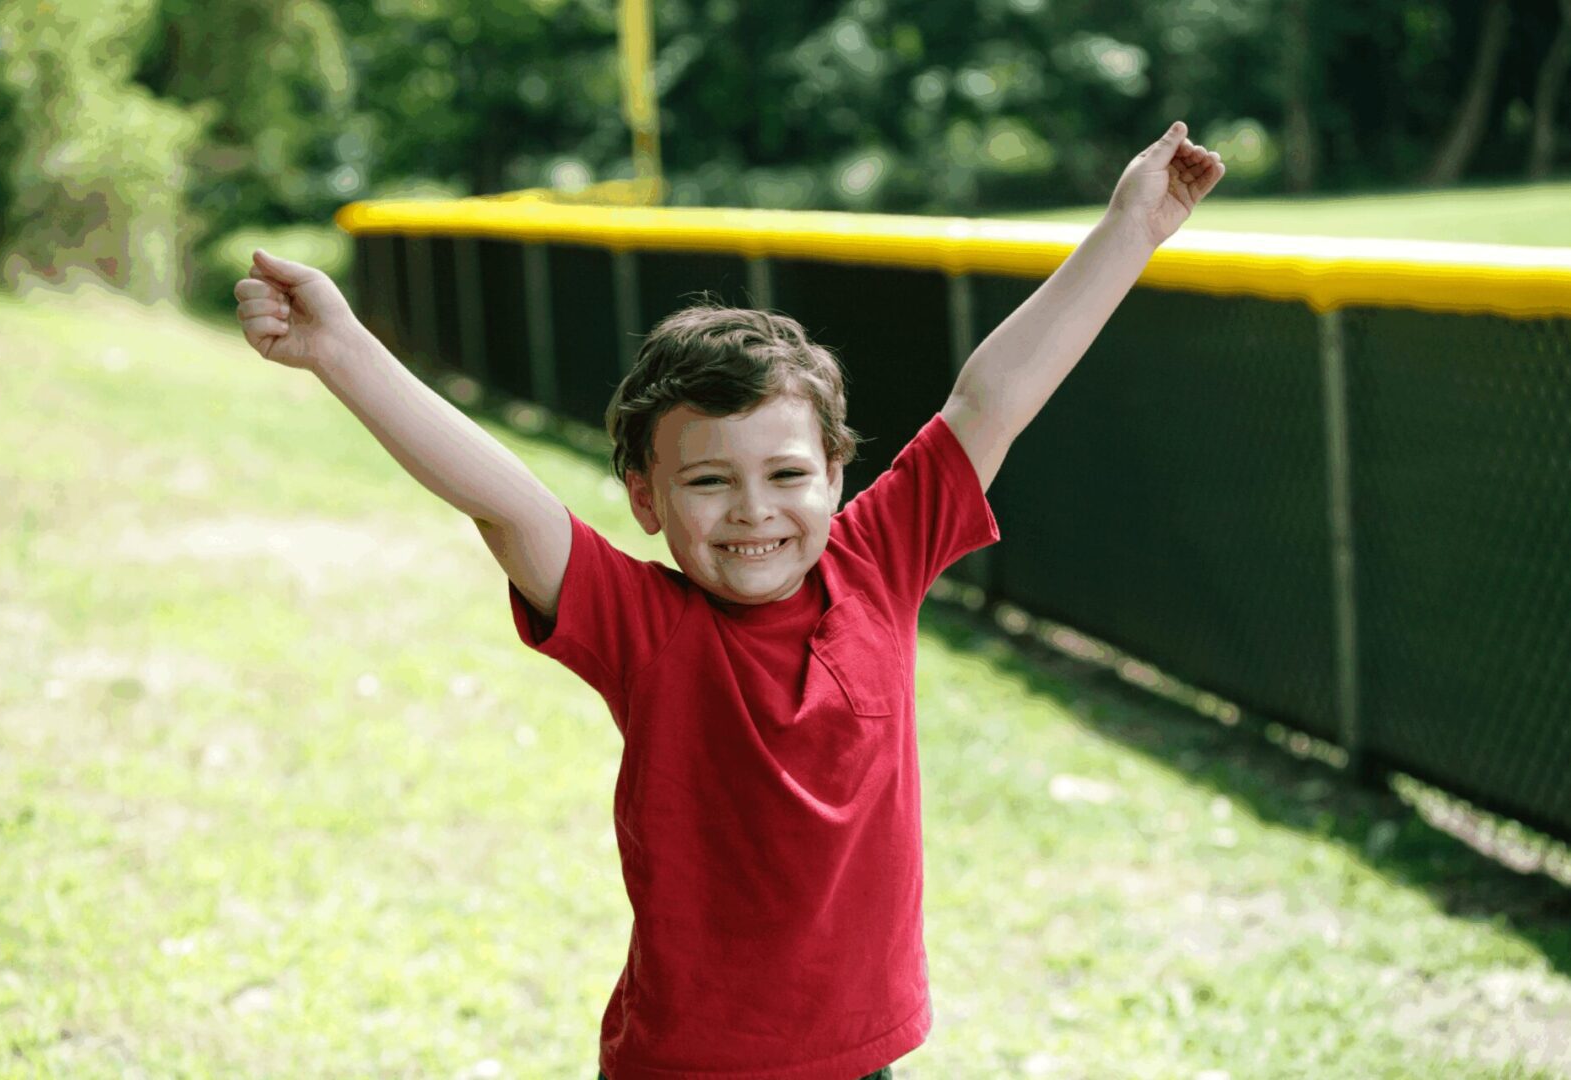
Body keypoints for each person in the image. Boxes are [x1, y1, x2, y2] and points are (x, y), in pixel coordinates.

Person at [236, 121, 1223, 1079]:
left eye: (786, 474)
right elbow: (506, 504)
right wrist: (343, 350)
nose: (754, 510)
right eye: (708, 481)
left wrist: (1130, 227)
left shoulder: (881, 560)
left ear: (835, 476)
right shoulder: (640, 625)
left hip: (862, 1059)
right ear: (646, 500)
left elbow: (990, 399)